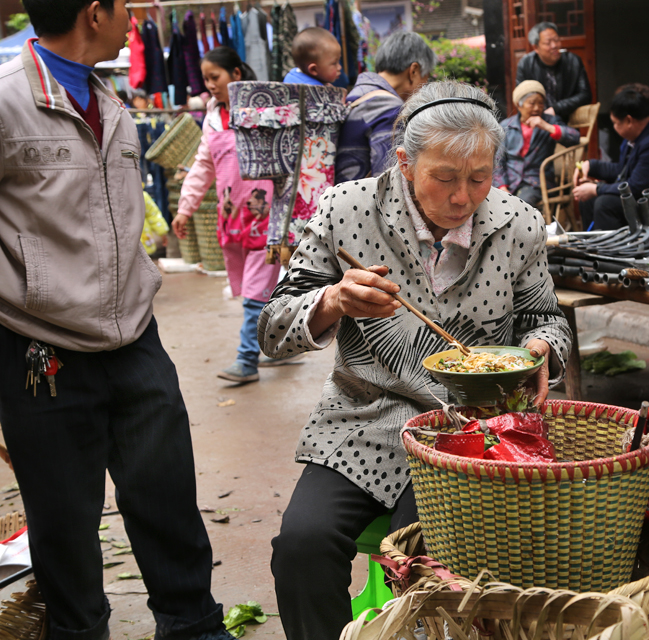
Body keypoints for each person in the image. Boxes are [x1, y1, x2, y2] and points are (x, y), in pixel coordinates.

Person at [260, 80, 572, 640]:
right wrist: (332, 301)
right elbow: (274, 330)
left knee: (429, 568)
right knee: (301, 546)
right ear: (404, 162)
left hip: (477, 430)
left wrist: (541, 349)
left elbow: (546, 320)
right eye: (445, 179)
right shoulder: (346, 209)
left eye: (479, 178)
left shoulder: (519, 223)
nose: (463, 198)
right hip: (366, 420)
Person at [0, 0, 234, 638]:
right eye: (125, 6)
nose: (132, 18)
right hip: (38, 352)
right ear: (94, 12)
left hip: (136, 340)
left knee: (167, 503)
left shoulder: (113, 102)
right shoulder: (7, 101)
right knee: (64, 528)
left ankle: (193, 628)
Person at [172, 47, 286, 384]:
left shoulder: (263, 112)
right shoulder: (211, 120)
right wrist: (184, 209)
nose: (209, 84)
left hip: (268, 223)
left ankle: (247, 360)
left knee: (254, 295)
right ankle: (279, 349)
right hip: (233, 222)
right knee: (260, 293)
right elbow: (202, 168)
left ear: (236, 74)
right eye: (205, 78)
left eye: (214, 77)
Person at [572, 87, 649, 230]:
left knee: (605, 203)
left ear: (628, 120)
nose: (614, 127)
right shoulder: (637, 136)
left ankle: (611, 251)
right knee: (588, 200)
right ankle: (591, 245)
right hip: (641, 199)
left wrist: (596, 188)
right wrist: (591, 166)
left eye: (615, 123)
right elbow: (622, 169)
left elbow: (635, 187)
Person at [335, 31, 436, 183]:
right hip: (360, 204)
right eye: (425, 78)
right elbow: (389, 182)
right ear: (413, 71)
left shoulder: (356, 96)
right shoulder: (389, 109)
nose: (423, 87)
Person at [494, 79, 580, 208]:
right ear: (519, 104)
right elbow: (497, 159)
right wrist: (502, 186)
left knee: (521, 206)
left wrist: (547, 127)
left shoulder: (549, 121)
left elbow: (574, 137)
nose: (537, 108)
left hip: (537, 182)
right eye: (532, 103)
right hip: (510, 182)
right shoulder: (506, 126)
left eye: (541, 104)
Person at [516, 22, 591, 122]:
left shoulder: (573, 61)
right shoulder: (526, 64)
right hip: (536, 122)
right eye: (548, 43)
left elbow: (585, 95)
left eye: (556, 40)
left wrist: (557, 108)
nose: (554, 45)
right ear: (535, 47)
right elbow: (521, 97)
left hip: (567, 120)